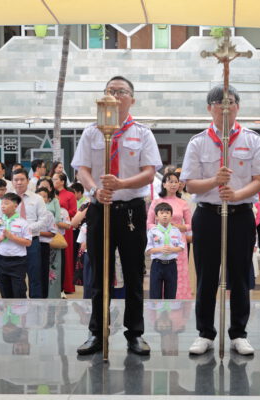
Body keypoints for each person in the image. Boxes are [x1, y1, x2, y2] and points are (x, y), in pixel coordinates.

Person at [72, 75, 162, 356]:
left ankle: (135, 333)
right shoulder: (91, 132)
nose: (114, 95)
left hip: (131, 209)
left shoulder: (142, 133)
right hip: (100, 208)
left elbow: (149, 172)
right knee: (99, 273)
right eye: (110, 90)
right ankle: (97, 332)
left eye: (121, 91)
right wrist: (95, 190)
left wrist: (121, 184)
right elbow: (82, 169)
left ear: (131, 99)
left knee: (134, 273)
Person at [181, 83, 260, 356]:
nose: (225, 107)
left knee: (240, 275)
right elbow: (189, 184)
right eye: (219, 103)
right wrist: (214, 181)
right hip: (207, 215)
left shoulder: (251, 140)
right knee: (206, 276)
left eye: (230, 102)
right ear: (210, 108)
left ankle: (239, 334)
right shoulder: (198, 142)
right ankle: (205, 333)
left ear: (238, 107)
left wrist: (236, 194)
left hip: (240, 214)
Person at [0, 168, 51, 298]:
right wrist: (9, 231)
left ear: (28, 180)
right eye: (16, 180)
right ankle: (16, 305)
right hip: (11, 243)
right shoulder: (5, 199)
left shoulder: (37, 198)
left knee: (35, 275)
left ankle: (36, 304)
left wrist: (24, 229)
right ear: (12, 181)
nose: (19, 182)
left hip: (31, 242)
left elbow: (43, 221)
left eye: (22, 179)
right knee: (16, 278)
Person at [146, 172, 192, 299]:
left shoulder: (183, 203)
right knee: (158, 278)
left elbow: (190, 225)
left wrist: (178, 227)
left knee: (178, 276)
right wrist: (160, 229)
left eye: (176, 182)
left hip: (177, 242)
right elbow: (149, 223)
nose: (173, 184)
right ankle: (158, 304)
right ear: (164, 184)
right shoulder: (156, 202)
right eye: (170, 181)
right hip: (159, 243)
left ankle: (178, 303)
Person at [0, 193, 32, 298]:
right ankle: (7, 309)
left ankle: (20, 309)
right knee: (4, 292)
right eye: (2, 204)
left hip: (17, 261)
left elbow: (28, 242)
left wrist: (12, 237)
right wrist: (1, 238)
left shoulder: (23, 222)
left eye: (6, 203)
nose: (3, 206)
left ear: (15, 206)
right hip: (0, 260)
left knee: (19, 291)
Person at [146, 202, 185, 299]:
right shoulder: (152, 231)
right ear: (156, 216)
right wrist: (160, 249)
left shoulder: (176, 231)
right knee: (155, 295)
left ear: (171, 216)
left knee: (171, 294)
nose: (165, 215)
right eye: (162, 213)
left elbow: (181, 247)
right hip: (157, 265)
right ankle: (155, 309)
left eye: (167, 213)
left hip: (171, 265)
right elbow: (148, 250)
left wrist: (172, 249)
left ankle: (168, 309)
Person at [53, 173, 77, 294]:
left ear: (62, 181)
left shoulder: (70, 195)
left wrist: (61, 212)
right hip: (51, 227)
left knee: (66, 255)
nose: (53, 181)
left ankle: (67, 286)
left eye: (56, 179)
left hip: (65, 228)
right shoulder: (50, 194)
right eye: (53, 179)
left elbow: (74, 211)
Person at [36, 187, 57, 298]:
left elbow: (53, 233)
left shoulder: (49, 214)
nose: (41, 198)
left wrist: (37, 232)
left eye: (44, 196)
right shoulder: (31, 214)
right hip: (30, 244)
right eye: (39, 196)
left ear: (48, 200)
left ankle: (44, 296)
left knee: (43, 271)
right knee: (33, 272)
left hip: (43, 245)